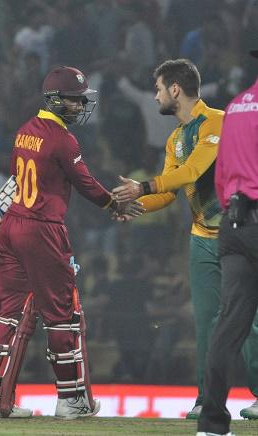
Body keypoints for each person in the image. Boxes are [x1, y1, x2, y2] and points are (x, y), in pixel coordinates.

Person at [0, 66, 142, 419]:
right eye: (74, 100)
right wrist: (115, 204)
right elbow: (85, 183)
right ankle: (71, 399)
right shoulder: (62, 139)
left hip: (12, 225)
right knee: (62, 317)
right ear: (54, 99)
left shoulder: (24, 132)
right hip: (42, 230)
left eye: (82, 100)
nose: (80, 106)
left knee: (10, 315)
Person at [112, 58, 258, 420]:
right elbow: (168, 192)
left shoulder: (218, 122)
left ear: (175, 89)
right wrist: (138, 206)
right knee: (206, 320)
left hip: (237, 233)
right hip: (201, 238)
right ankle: (206, 399)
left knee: (248, 318)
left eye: (159, 88)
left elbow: (195, 170)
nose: (156, 94)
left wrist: (142, 186)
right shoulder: (175, 138)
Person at [197, 49, 258, 436]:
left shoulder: (235, 107)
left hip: (233, 225)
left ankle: (212, 423)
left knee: (229, 328)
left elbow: (220, 179)